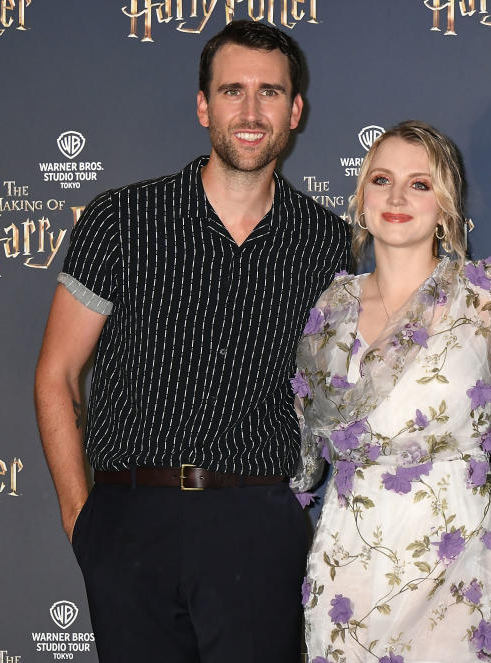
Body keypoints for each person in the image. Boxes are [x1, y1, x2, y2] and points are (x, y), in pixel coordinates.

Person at [33, 20, 349, 663]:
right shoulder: (121, 219)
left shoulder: (326, 242)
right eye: (233, 91)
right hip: (130, 518)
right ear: (205, 105)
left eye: (270, 92)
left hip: (260, 519)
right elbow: (57, 373)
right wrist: (81, 518)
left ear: (296, 110)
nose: (252, 111)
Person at [291, 120, 491, 663]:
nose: (396, 197)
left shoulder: (486, 298)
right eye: (381, 179)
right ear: (362, 196)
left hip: (453, 560)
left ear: (446, 205)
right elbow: (303, 448)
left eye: (419, 183)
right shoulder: (331, 306)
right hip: (348, 562)